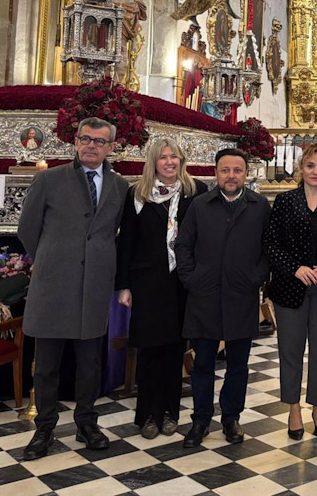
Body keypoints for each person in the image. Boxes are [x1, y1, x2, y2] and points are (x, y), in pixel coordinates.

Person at [18, 118, 129, 460]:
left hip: (94, 288)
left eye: (99, 141)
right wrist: (53, 260)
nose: (91, 146)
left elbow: (119, 233)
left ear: (111, 147)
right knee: (47, 366)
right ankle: (45, 428)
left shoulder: (119, 186)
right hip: (53, 287)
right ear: (76, 142)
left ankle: (86, 422)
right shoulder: (49, 180)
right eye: (85, 139)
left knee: (89, 364)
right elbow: (27, 229)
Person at [176, 148, 271, 448]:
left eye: (237, 170)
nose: (231, 176)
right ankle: (201, 419)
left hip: (241, 296)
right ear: (216, 173)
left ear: (246, 174)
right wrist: (191, 278)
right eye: (225, 170)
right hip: (204, 296)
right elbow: (183, 245)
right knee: (203, 363)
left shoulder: (259, 206)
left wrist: (256, 277)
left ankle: (231, 417)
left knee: (238, 364)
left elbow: (269, 249)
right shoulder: (200, 205)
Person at [116, 138, 208, 438]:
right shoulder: (138, 195)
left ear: (182, 160)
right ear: (153, 162)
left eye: (174, 157)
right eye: (163, 157)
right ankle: (147, 416)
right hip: (147, 282)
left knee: (174, 349)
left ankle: (170, 412)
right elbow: (126, 242)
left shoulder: (196, 192)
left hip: (180, 282)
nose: (169, 162)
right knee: (149, 349)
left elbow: (202, 240)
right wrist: (124, 286)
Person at [265, 144, 317, 439]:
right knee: (290, 349)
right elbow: (271, 243)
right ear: (301, 168)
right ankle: (294, 408)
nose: (315, 172)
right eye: (311, 165)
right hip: (291, 286)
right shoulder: (285, 201)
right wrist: (295, 268)